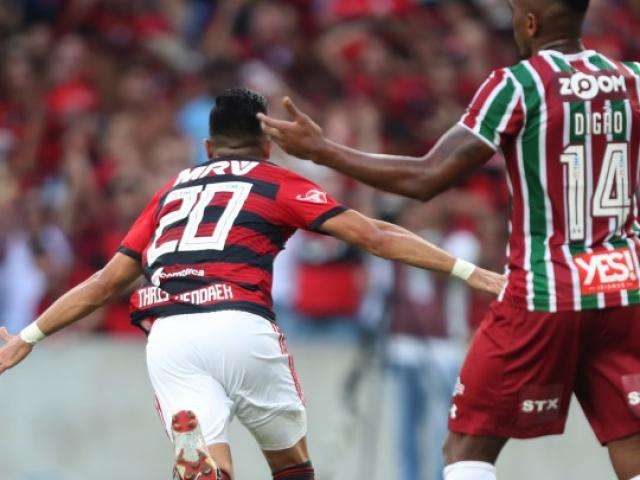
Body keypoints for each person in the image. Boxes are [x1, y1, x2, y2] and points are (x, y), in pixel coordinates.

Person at [0, 88, 504, 480]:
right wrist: (470, 271)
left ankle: (207, 465)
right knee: (292, 464)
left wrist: (27, 337)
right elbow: (373, 235)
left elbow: (108, 280)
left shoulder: (172, 191)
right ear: (268, 146)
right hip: (239, 322)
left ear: (206, 147)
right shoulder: (275, 181)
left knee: (212, 451)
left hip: (169, 334)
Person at [257, 0, 640, 478]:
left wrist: (322, 151)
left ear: (530, 22)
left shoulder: (518, 85)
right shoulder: (630, 79)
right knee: (632, 445)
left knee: (466, 450)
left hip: (544, 291)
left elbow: (426, 177)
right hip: (622, 287)